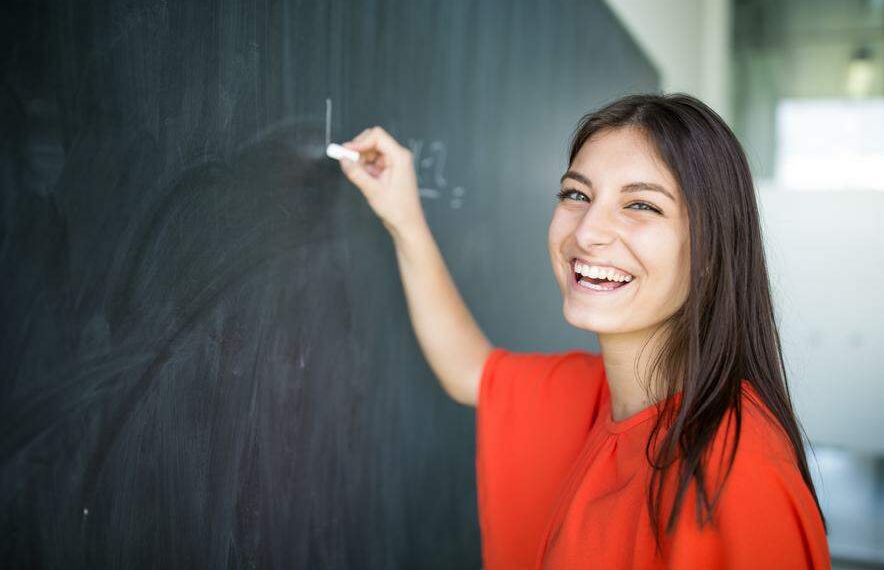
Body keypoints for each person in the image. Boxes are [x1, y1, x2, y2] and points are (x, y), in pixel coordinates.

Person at [335, 93, 831, 569]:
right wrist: (404, 218)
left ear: (712, 253)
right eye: (577, 194)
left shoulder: (738, 471)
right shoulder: (594, 393)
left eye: (642, 205)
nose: (588, 231)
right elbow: (469, 371)